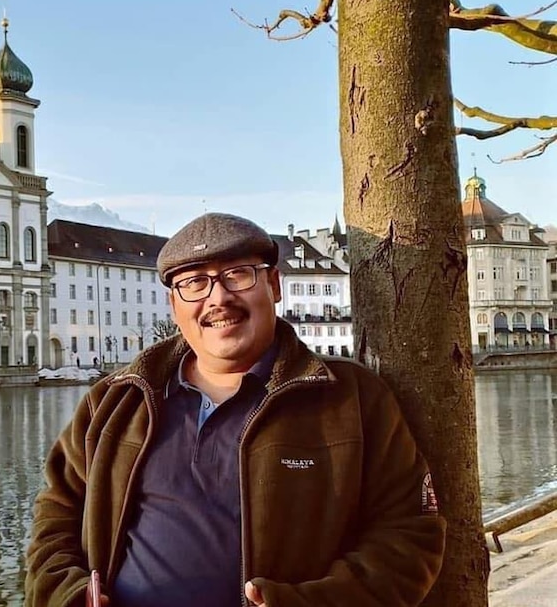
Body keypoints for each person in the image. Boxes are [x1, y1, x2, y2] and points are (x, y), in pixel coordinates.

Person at [24, 212, 446, 607]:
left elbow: (409, 535)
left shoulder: (351, 398)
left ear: (274, 286)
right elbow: (56, 515)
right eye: (194, 283)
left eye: (237, 275)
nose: (217, 298)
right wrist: (69, 596)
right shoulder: (116, 400)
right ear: (174, 305)